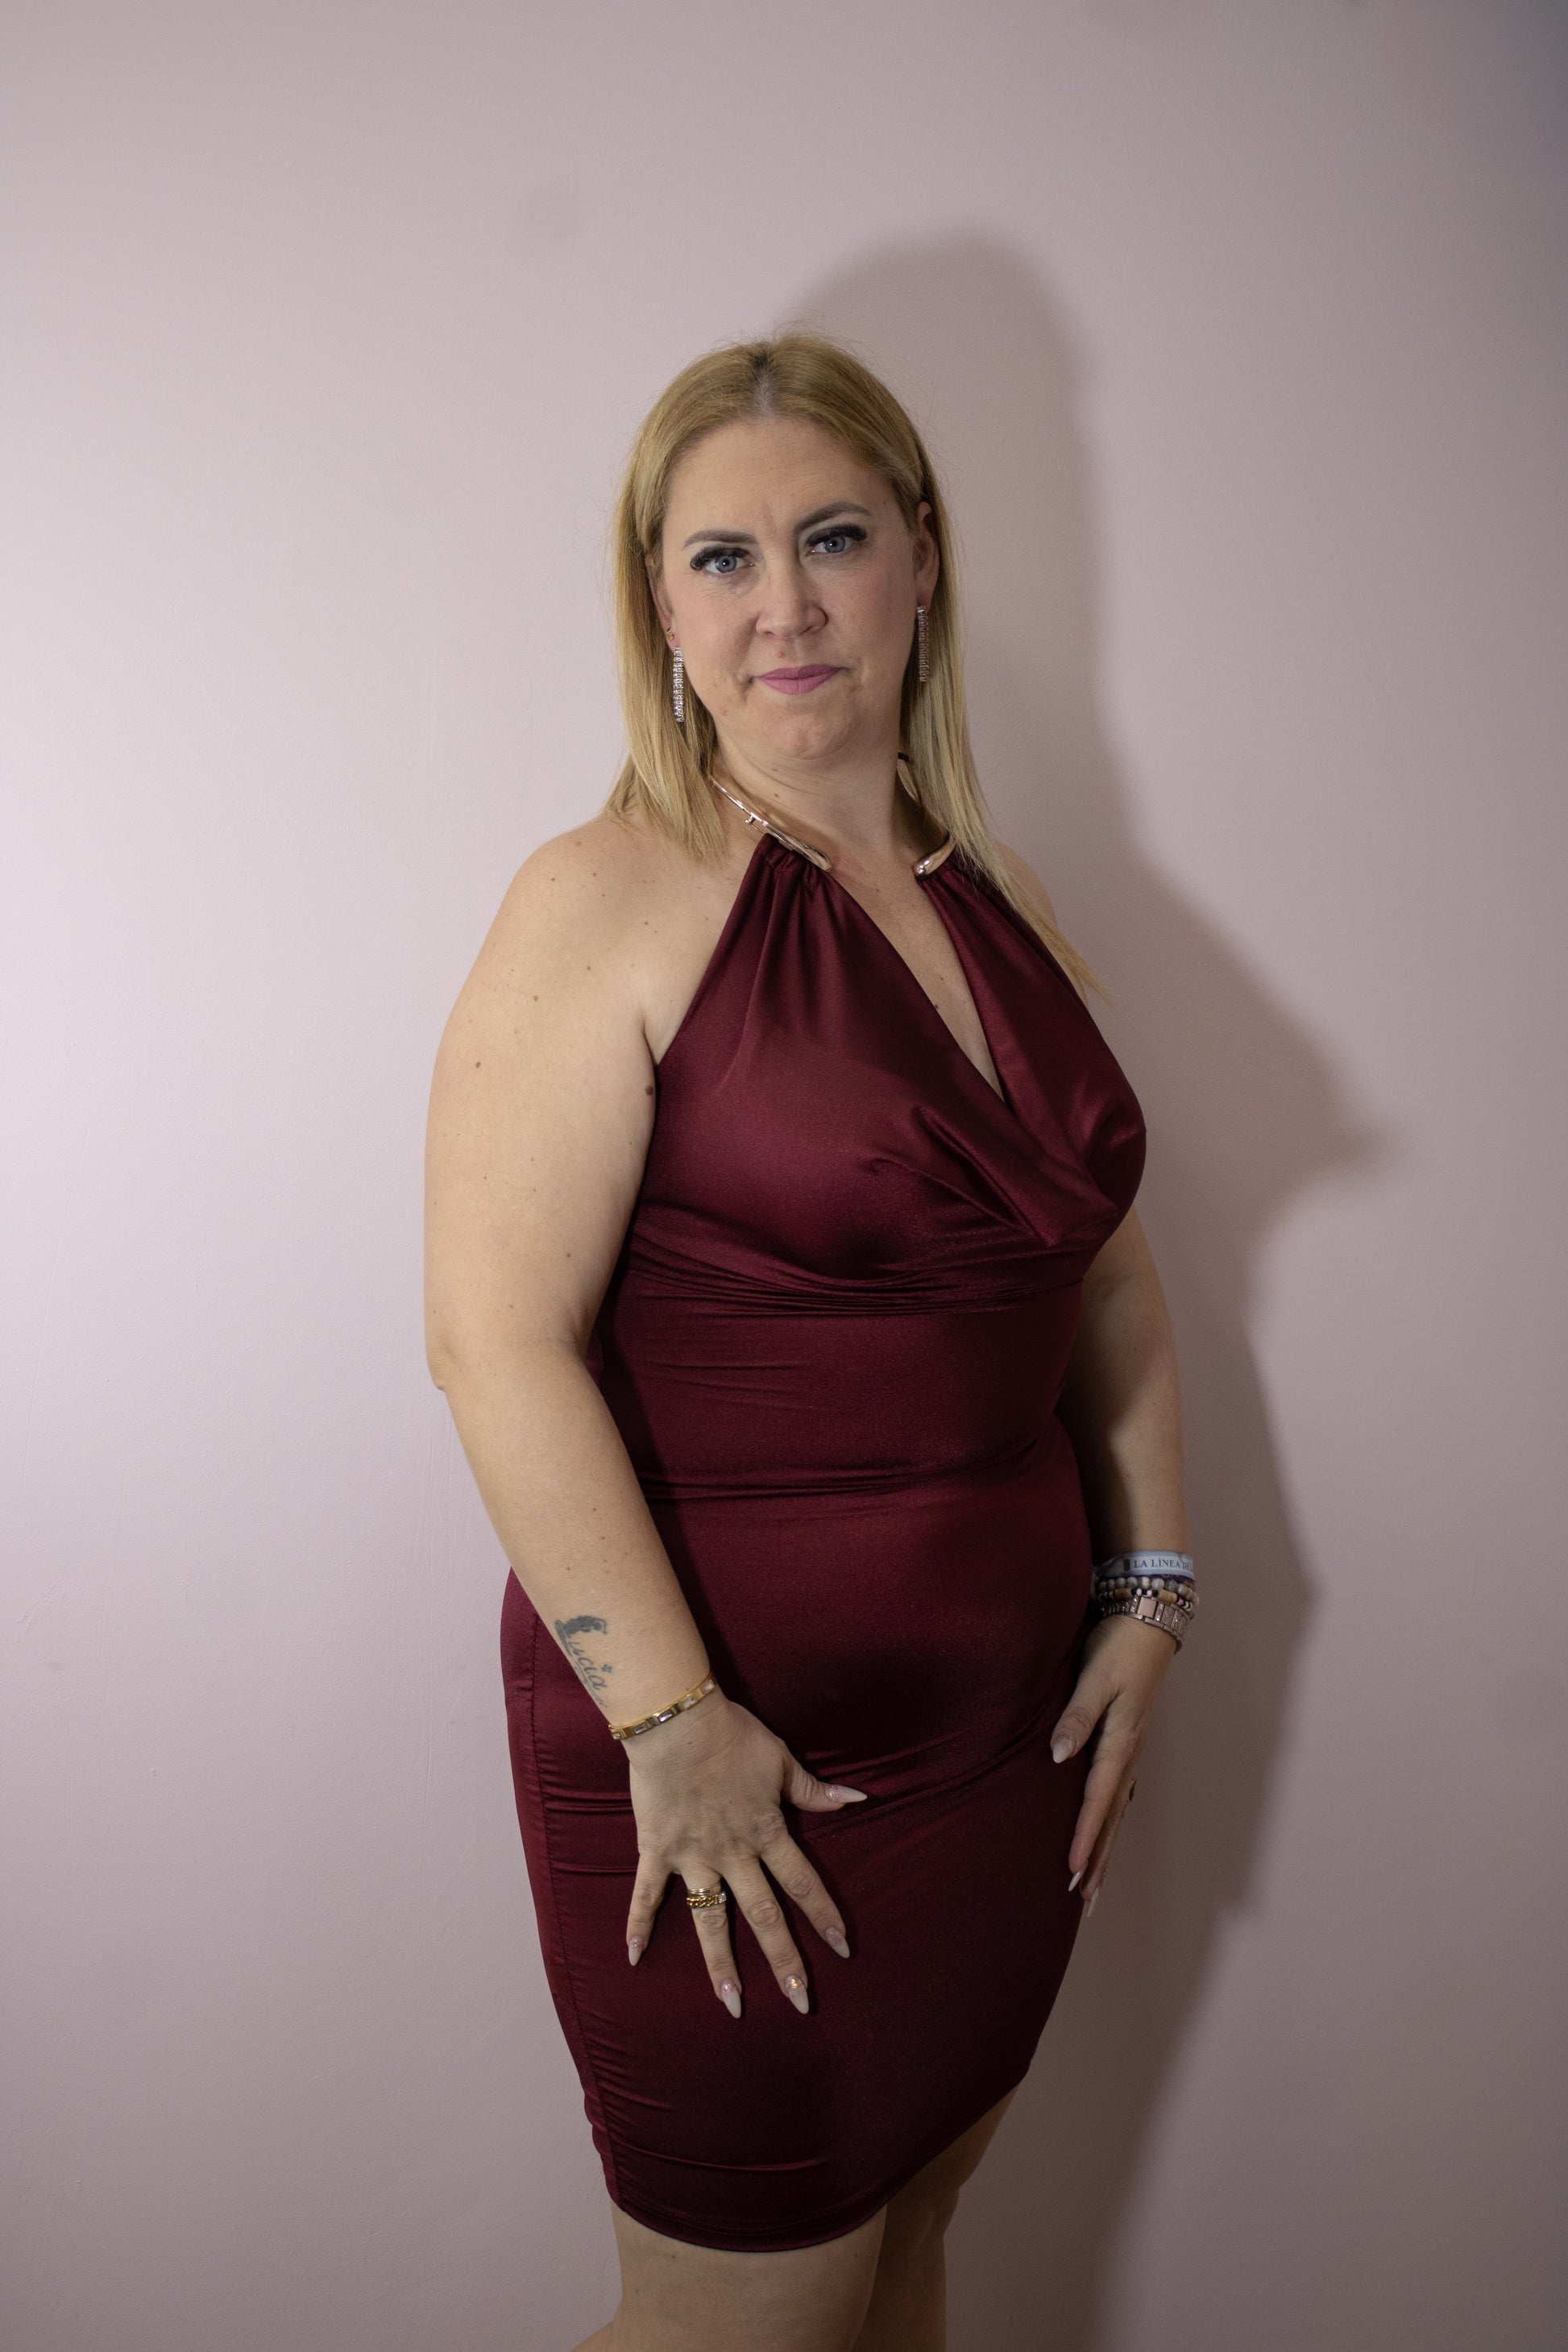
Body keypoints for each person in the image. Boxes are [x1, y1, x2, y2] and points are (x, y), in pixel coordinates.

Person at [423, 330, 1194, 2352]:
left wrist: (1151, 1581)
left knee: (909, 2245)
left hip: (1003, 1747)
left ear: (919, 557)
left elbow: (1104, 1271)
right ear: (659, 606)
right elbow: (493, 1341)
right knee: (737, 2322)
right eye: (723, 557)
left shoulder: (993, 893)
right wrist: (672, 1722)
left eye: (833, 537)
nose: (786, 603)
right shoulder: (599, 899)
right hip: (731, 1769)